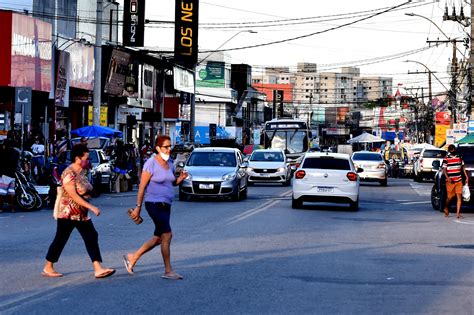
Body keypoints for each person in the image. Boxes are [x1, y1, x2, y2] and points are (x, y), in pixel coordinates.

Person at [42, 144, 115, 278]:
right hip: (68, 213)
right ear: (77, 158)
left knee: (91, 236)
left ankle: (97, 267)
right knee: (61, 239)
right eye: (86, 158)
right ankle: (48, 266)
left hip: (80, 213)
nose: (88, 161)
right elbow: (73, 195)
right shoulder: (69, 174)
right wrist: (91, 207)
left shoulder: (81, 172)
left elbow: (87, 190)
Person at [123, 135, 188, 280]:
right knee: (167, 235)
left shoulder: (170, 163)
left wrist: (180, 179)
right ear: (158, 148)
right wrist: (138, 207)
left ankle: (132, 257)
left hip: (167, 204)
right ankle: (168, 270)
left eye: (170, 146)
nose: (169, 149)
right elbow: (141, 187)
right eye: (166, 147)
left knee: (158, 237)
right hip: (153, 204)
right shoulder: (150, 164)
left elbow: (171, 183)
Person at [442, 144, 469, 219]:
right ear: (449, 150)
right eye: (451, 150)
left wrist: (466, 176)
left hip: (459, 179)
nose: (453, 151)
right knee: (450, 197)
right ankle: (446, 207)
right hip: (450, 181)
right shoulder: (446, 158)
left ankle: (458, 213)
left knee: (459, 196)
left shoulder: (459, 157)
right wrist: (447, 178)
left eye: (454, 150)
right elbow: (444, 169)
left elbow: (463, 167)